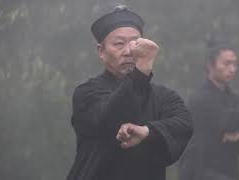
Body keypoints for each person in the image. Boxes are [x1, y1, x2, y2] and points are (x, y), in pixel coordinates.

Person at [66, 5, 193, 180]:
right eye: (119, 44)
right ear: (101, 51)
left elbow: (184, 125)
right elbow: (111, 117)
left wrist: (148, 131)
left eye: (135, 44)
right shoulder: (87, 93)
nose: (128, 52)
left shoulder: (164, 97)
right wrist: (141, 71)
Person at [179, 44, 239, 180]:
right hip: (199, 171)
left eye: (234, 64)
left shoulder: (234, 98)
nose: (232, 69)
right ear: (210, 65)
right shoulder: (200, 99)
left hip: (227, 171)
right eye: (226, 63)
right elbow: (229, 121)